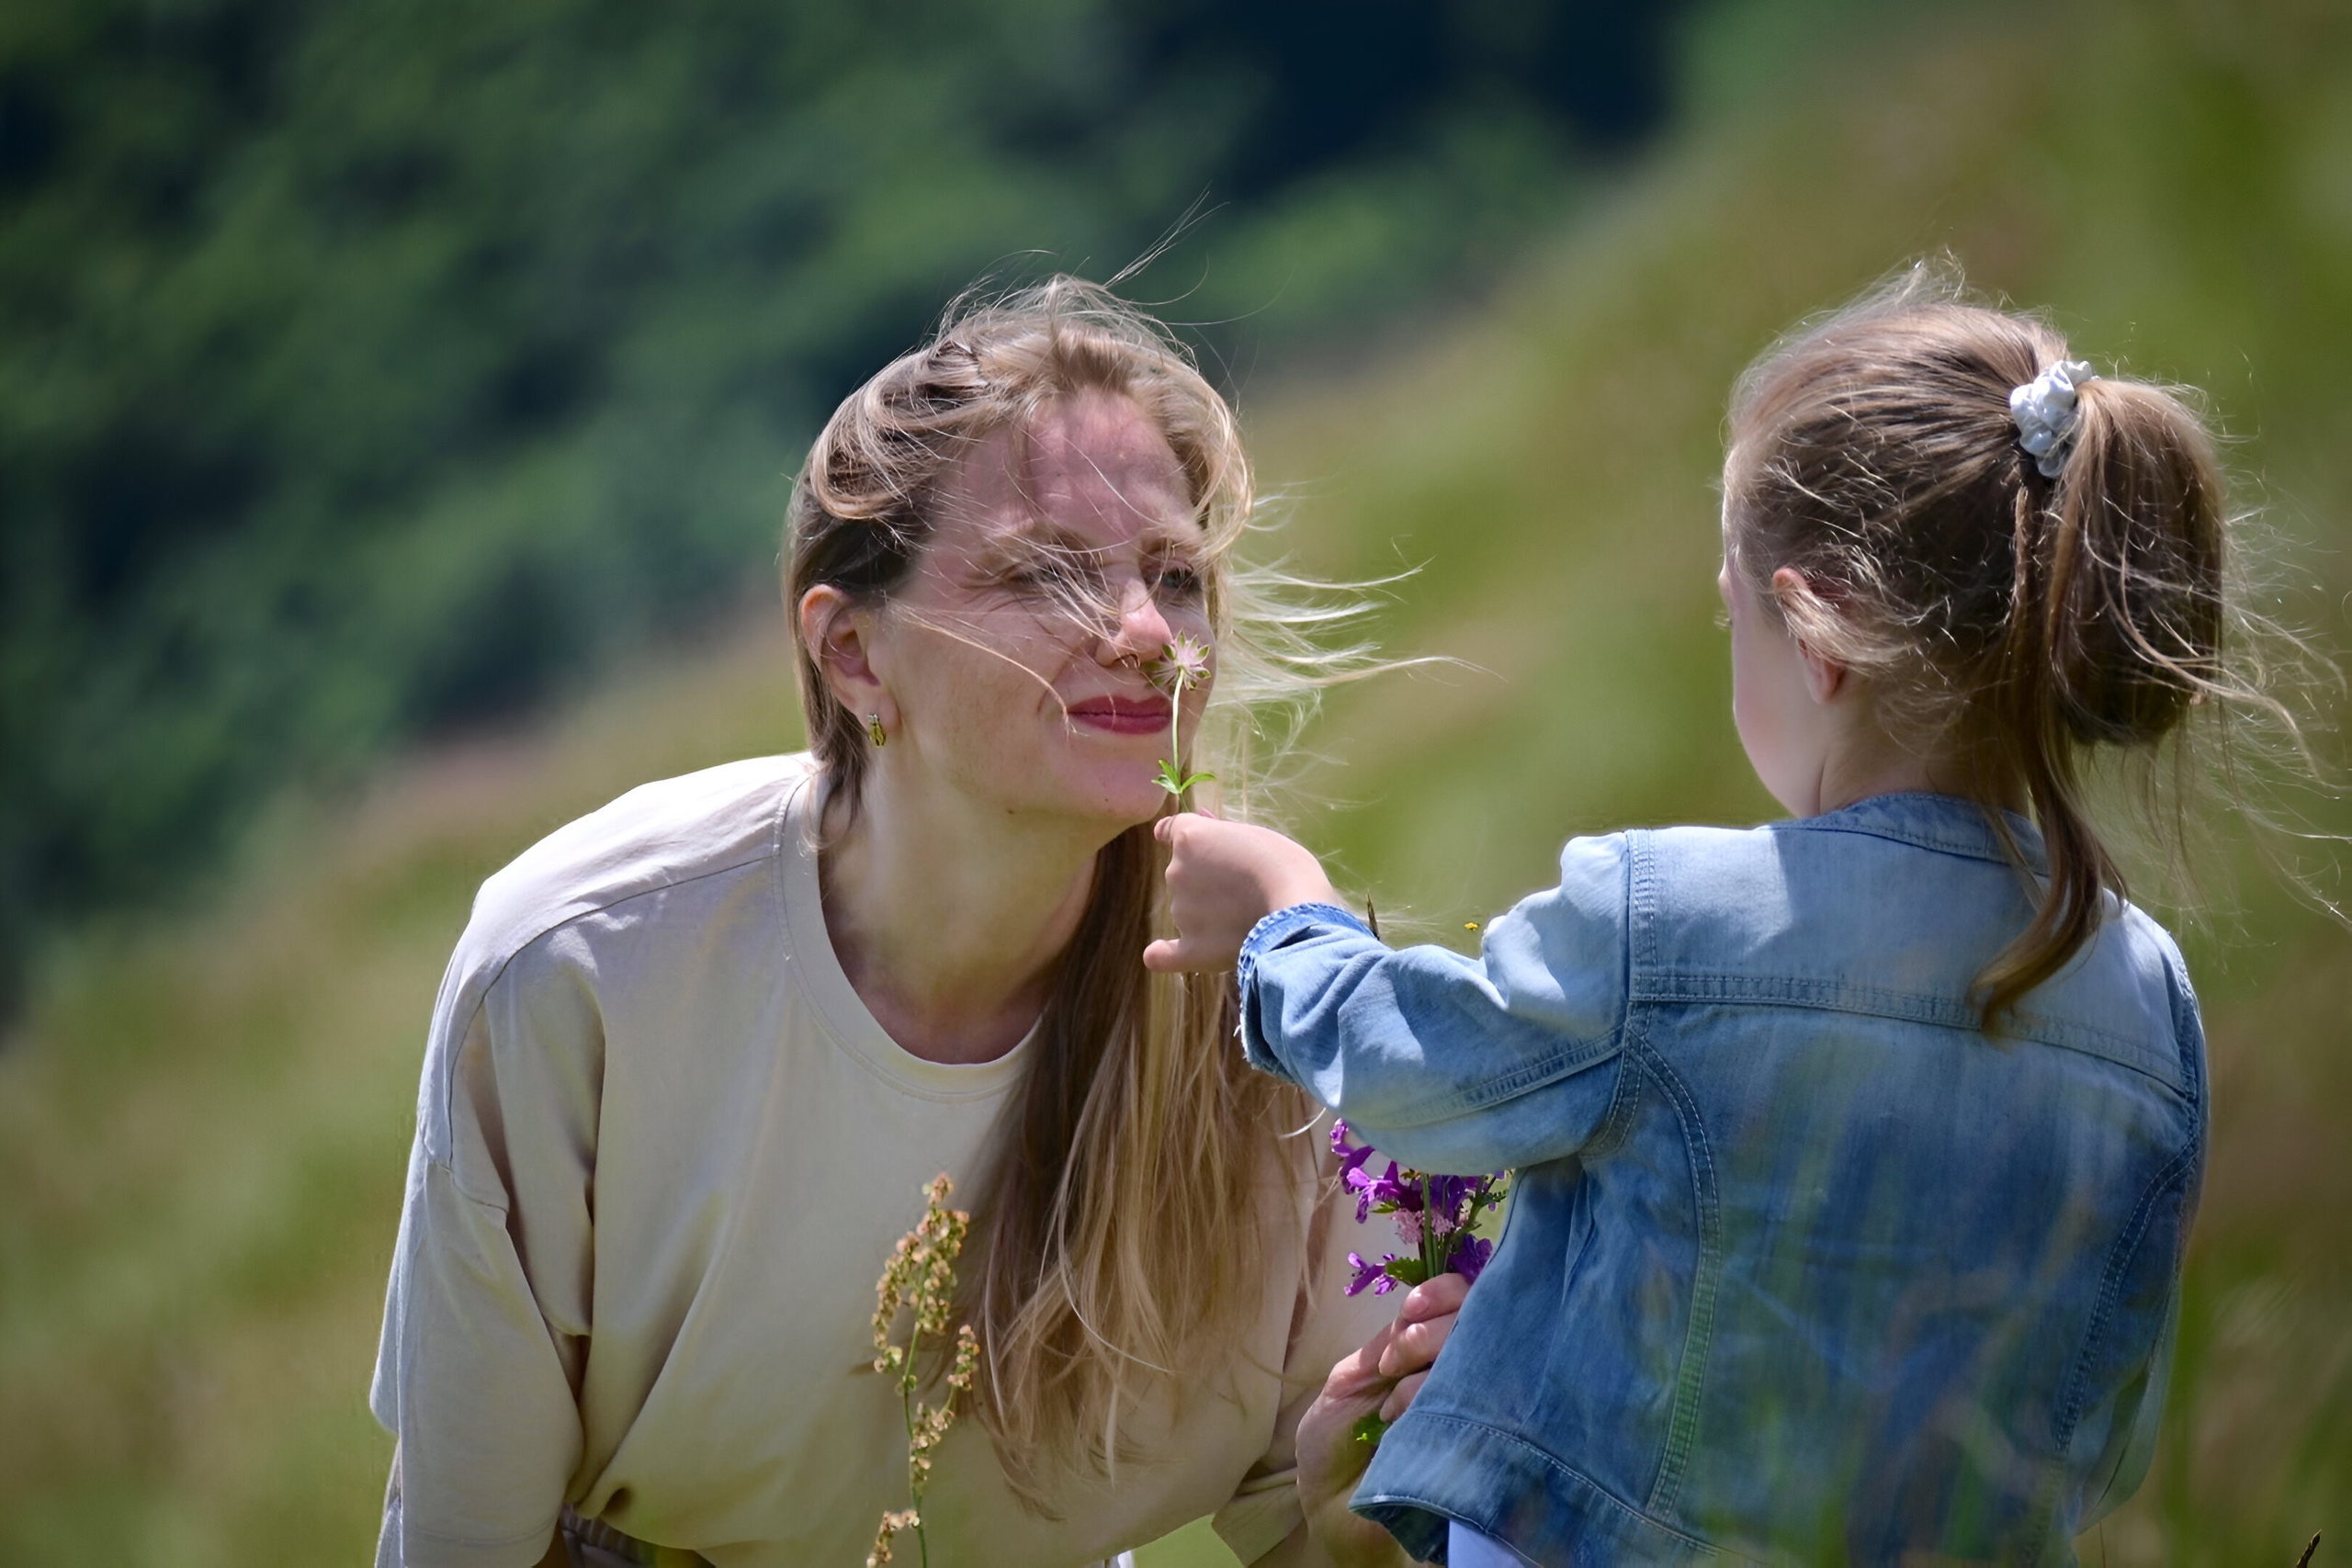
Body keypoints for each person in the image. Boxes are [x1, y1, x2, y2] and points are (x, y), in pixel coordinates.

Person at [1148, 269, 2283, 1562]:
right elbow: (2106, 1434)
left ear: (1820, 637)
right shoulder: (2147, 1002)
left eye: (1731, 607)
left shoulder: (1674, 920)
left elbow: (1415, 1081)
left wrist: (1284, 922)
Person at [368, 276, 1464, 1568]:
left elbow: (1315, 1529)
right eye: (1047, 572)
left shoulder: (1278, 994)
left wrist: (1360, 1532)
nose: (1149, 637)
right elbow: (465, 1539)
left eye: (1175, 576)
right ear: (852, 656)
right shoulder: (582, 966)